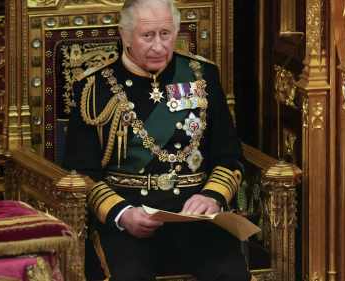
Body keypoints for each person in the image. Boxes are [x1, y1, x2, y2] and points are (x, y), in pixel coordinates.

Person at [63, 0, 250, 280]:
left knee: (231, 274)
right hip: (131, 219)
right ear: (125, 35)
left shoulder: (203, 76)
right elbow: (81, 173)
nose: (159, 46)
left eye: (166, 34)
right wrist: (122, 213)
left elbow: (229, 155)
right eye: (147, 36)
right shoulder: (94, 88)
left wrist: (211, 197)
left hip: (196, 216)